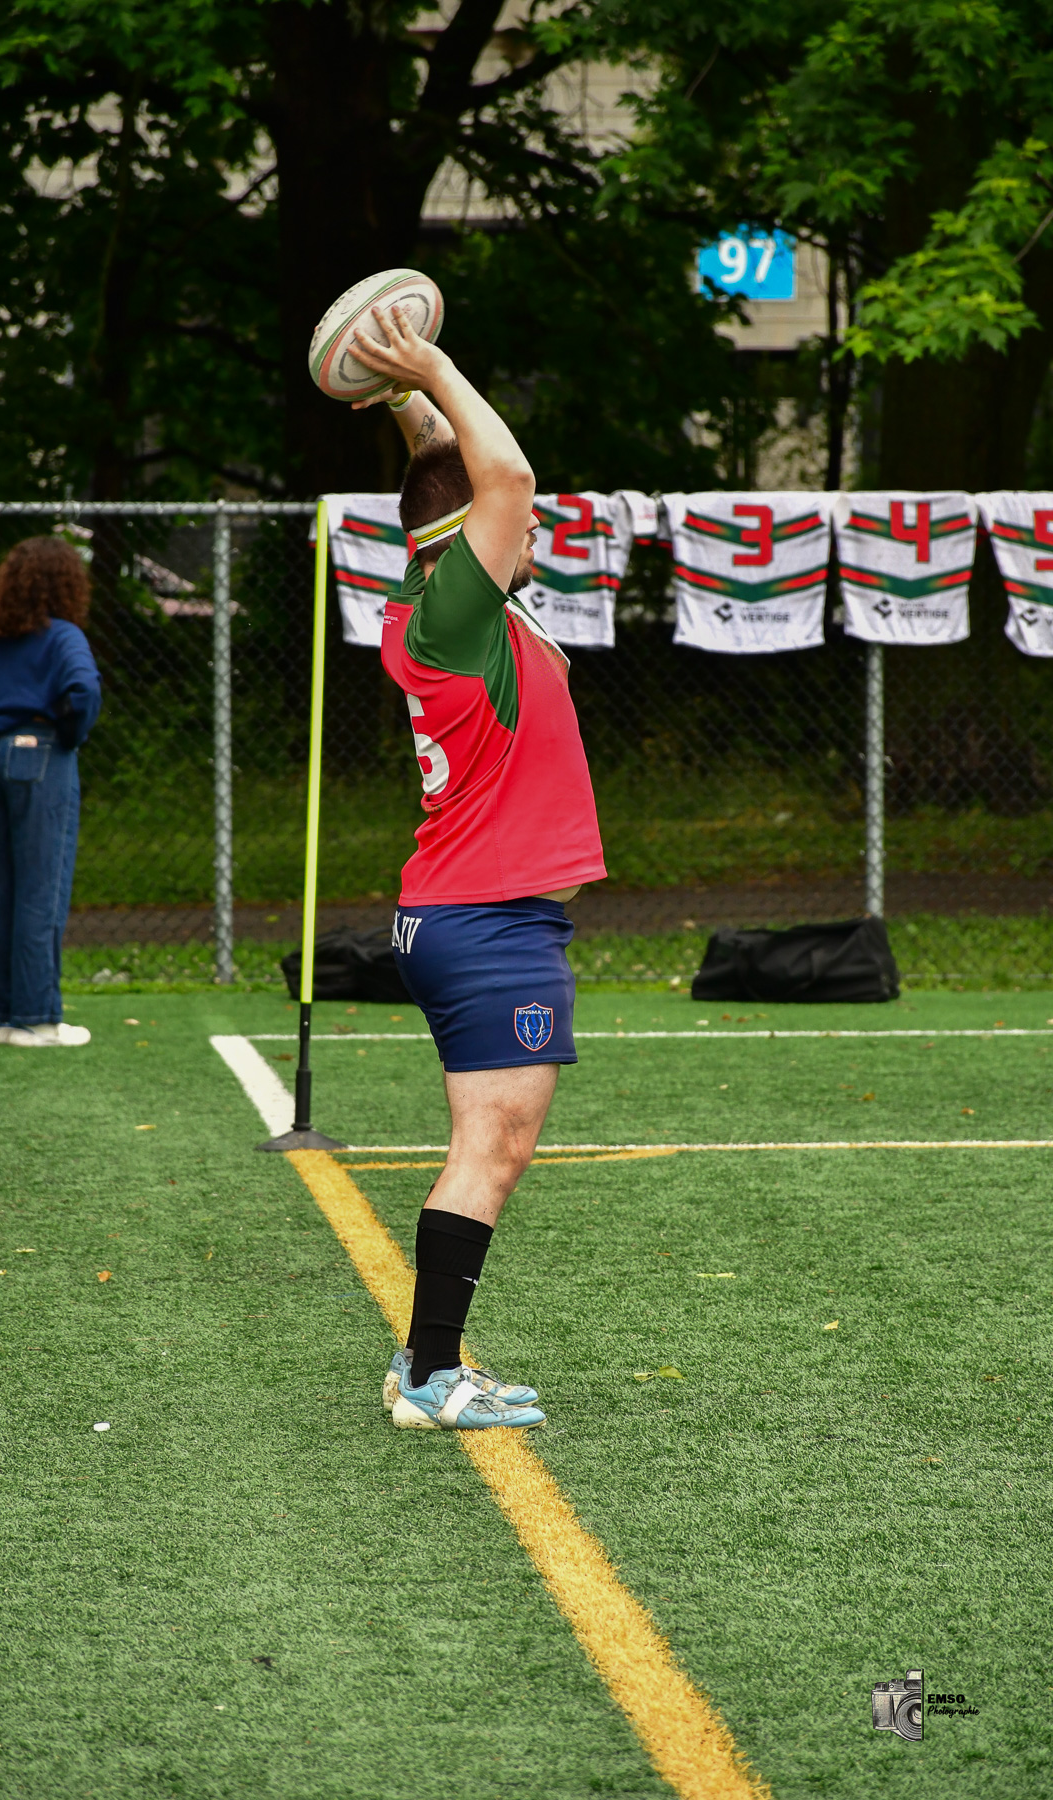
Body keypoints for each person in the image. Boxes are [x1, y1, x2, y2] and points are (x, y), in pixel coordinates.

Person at [347, 305, 607, 1431]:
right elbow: (507, 475)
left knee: (489, 1144)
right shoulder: (454, 598)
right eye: (510, 526)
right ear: (460, 531)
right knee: (491, 1150)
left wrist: (397, 396)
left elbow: (453, 474)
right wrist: (439, 363)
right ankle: (429, 1375)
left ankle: (431, 1365)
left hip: (479, 915)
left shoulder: (441, 595)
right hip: (488, 920)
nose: (533, 533)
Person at [0, 537, 101, 1047]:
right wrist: (66, 736)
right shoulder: (64, 636)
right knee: (41, 891)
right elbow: (84, 692)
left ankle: (5, 1016)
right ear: (67, 584)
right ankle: (36, 1019)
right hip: (43, 755)